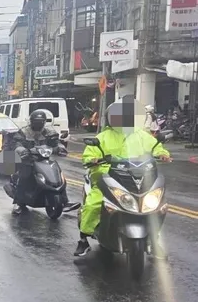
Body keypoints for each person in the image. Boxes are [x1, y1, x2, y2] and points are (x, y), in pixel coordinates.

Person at [75, 98, 172, 257]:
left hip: (136, 176)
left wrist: (162, 154)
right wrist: (92, 160)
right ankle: (83, 238)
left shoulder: (141, 135)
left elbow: (156, 147)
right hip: (107, 176)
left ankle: (153, 240)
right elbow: (90, 153)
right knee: (94, 203)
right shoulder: (103, 136)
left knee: (156, 206)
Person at [10, 110, 78, 215]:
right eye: (36, 121)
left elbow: (56, 142)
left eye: (41, 121)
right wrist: (21, 150)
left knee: (58, 175)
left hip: (44, 159)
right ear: (31, 121)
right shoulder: (24, 132)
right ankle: (18, 202)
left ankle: (65, 201)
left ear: (44, 122)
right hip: (28, 160)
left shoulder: (48, 132)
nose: (39, 123)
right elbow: (17, 143)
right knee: (24, 176)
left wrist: (60, 147)